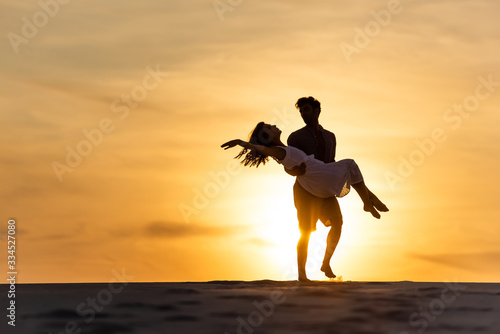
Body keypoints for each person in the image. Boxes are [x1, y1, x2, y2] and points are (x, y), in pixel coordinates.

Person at [221, 119, 388, 282]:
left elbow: (286, 163)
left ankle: (325, 263)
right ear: (268, 137)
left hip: (317, 176)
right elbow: (266, 151)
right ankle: (367, 201)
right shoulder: (279, 151)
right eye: (269, 127)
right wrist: (244, 143)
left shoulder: (286, 148)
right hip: (312, 182)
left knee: (338, 220)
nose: (274, 125)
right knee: (349, 167)